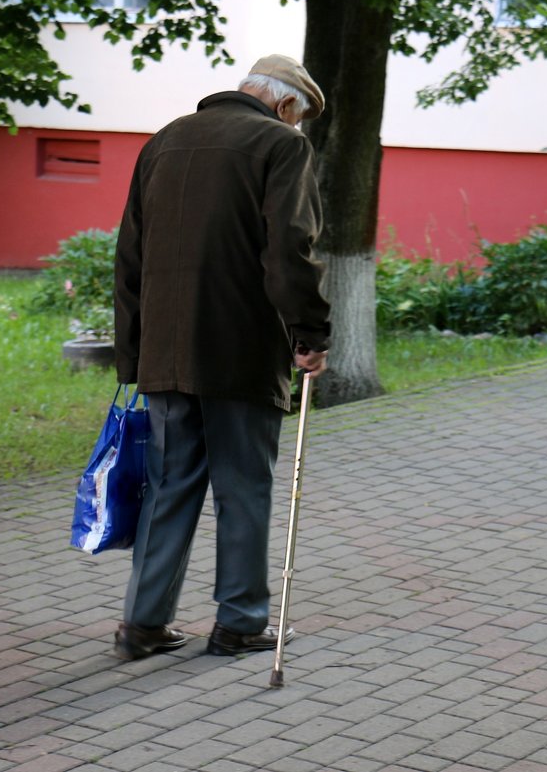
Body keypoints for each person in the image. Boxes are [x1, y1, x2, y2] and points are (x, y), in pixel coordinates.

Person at [112, 55, 332, 660]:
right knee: (243, 487)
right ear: (287, 107)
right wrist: (311, 334)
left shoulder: (164, 141)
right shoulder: (280, 145)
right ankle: (239, 622)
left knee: (167, 487)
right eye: (299, 118)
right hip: (239, 349)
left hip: (164, 350)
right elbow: (289, 247)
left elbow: (129, 254)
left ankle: (142, 625)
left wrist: (131, 354)